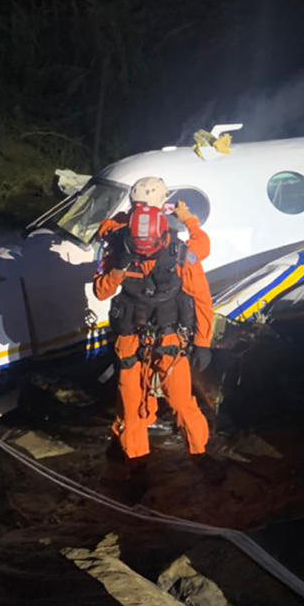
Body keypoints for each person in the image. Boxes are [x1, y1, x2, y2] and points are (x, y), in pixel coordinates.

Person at [93, 176, 218, 488]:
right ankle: (137, 467)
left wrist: (202, 342)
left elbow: (201, 292)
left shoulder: (176, 253)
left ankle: (198, 455)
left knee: (177, 402)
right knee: (136, 406)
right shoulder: (120, 247)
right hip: (137, 338)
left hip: (166, 337)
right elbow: (101, 291)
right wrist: (188, 218)